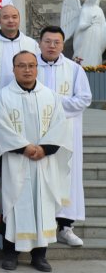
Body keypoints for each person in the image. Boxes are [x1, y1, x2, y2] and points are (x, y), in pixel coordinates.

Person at [0, 51, 72, 273]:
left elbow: (60, 126)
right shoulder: (4, 96)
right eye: (22, 65)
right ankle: (10, 253)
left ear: (37, 68)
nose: (27, 70)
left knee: (43, 206)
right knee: (15, 204)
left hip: (44, 162)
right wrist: (24, 147)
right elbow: (1, 127)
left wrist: (44, 148)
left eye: (31, 65)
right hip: (16, 161)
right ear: (13, 69)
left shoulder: (50, 96)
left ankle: (39, 255)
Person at [37, 26, 92, 247]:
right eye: (47, 41)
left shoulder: (74, 69)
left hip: (67, 133)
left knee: (68, 176)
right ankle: (42, 225)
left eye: (56, 42)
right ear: (39, 43)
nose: (52, 46)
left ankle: (66, 227)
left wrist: (53, 103)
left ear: (62, 45)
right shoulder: (31, 66)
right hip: (38, 131)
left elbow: (84, 99)